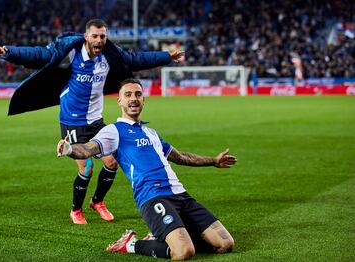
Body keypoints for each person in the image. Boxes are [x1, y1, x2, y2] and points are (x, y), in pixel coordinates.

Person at [0, 19, 184, 224]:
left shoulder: (109, 56)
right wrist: (7, 51)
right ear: (86, 36)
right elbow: (40, 55)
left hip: (95, 120)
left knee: (112, 162)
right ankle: (76, 210)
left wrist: (166, 56)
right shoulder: (71, 53)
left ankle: (97, 201)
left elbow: (135, 59)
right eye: (95, 36)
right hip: (72, 121)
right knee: (87, 167)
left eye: (103, 36)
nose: (99, 40)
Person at [57, 78, 237, 260]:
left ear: (144, 100)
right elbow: (88, 148)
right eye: (127, 95)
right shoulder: (114, 131)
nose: (133, 99)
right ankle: (131, 244)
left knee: (225, 243)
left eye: (138, 94)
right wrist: (70, 149)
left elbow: (181, 157)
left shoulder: (151, 133)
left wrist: (213, 160)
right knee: (183, 252)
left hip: (181, 194)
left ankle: (166, 235)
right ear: (119, 101)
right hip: (153, 197)